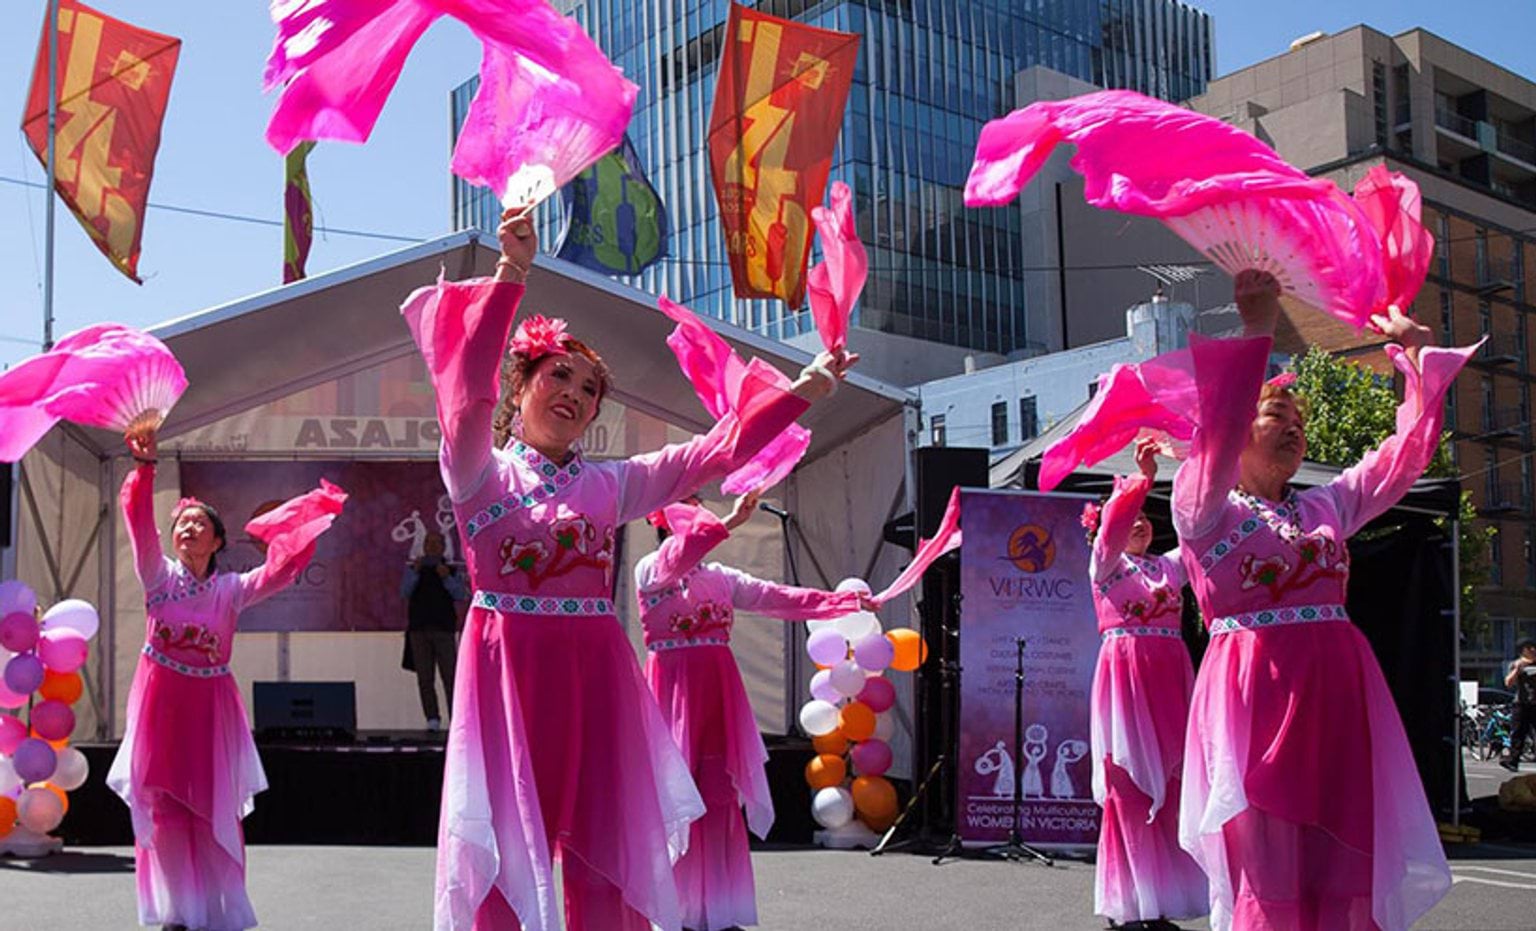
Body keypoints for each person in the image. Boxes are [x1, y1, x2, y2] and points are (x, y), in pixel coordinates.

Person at [403, 208, 857, 931]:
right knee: (505, 854)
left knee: (605, 853)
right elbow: (465, 402)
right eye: (560, 376)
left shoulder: (609, 486)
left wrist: (803, 388)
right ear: (519, 386)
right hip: (506, 678)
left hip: (598, 680)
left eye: (588, 391)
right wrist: (512, 274)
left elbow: (716, 451)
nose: (575, 396)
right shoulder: (478, 474)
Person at [1171, 270, 1471, 931]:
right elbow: (1216, 432)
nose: (1295, 428)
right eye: (1278, 415)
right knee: (1269, 874)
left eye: (1300, 421)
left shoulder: (1324, 502)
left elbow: (1399, 462)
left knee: (1343, 869)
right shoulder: (1202, 506)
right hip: (1256, 701)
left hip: (1338, 700)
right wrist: (1258, 330)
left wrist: (1418, 360)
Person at [107, 426, 346, 931]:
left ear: (217, 541)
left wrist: (306, 522)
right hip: (160, 704)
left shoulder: (232, 590)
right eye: (182, 524)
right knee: (167, 808)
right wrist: (146, 467)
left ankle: (214, 909)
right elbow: (138, 525)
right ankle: (177, 910)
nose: (188, 530)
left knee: (210, 810)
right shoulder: (157, 576)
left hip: (210, 708)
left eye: (199, 524)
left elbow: (279, 573)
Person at [636, 490, 869, 931]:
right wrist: (729, 521)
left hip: (717, 698)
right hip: (673, 696)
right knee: (676, 797)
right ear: (662, 518)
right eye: (684, 502)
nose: (695, 509)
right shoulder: (651, 571)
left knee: (718, 798)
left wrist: (847, 603)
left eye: (696, 501)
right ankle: (675, 910)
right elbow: (681, 555)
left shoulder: (722, 578)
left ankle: (716, 910)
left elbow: (779, 598)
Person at [1087, 437, 1207, 931]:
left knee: (1174, 788)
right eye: (1131, 517)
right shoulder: (1105, 565)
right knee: (1131, 793)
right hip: (1126, 681)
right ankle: (1131, 903)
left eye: (1145, 516)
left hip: (1169, 680)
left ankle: (1164, 900)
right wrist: (1141, 481)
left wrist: (1201, 464)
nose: (1140, 522)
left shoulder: (1166, 568)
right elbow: (1113, 529)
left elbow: (1200, 534)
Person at [401, 530, 469, 731]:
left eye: (436, 543)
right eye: (428, 543)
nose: (431, 547)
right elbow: (404, 592)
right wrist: (415, 572)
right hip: (419, 629)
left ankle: (456, 720)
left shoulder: (451, 569)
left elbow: (460, 594)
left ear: (442, 547)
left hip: (444, 629)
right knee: (425, 678)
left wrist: (446, 578)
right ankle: (432, 719)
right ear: (423, 546)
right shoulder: (414, 568)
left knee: (450, 677)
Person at [1502, 638, 1536, 772]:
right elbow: (1508, 683)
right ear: (1523, 650)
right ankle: (1513, 760)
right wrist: (1517, 669)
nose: (1533, 650)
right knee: (1518, 733)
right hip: (1521, 703)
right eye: (1529, 648)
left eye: (1534, 647)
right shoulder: (1516, 664)